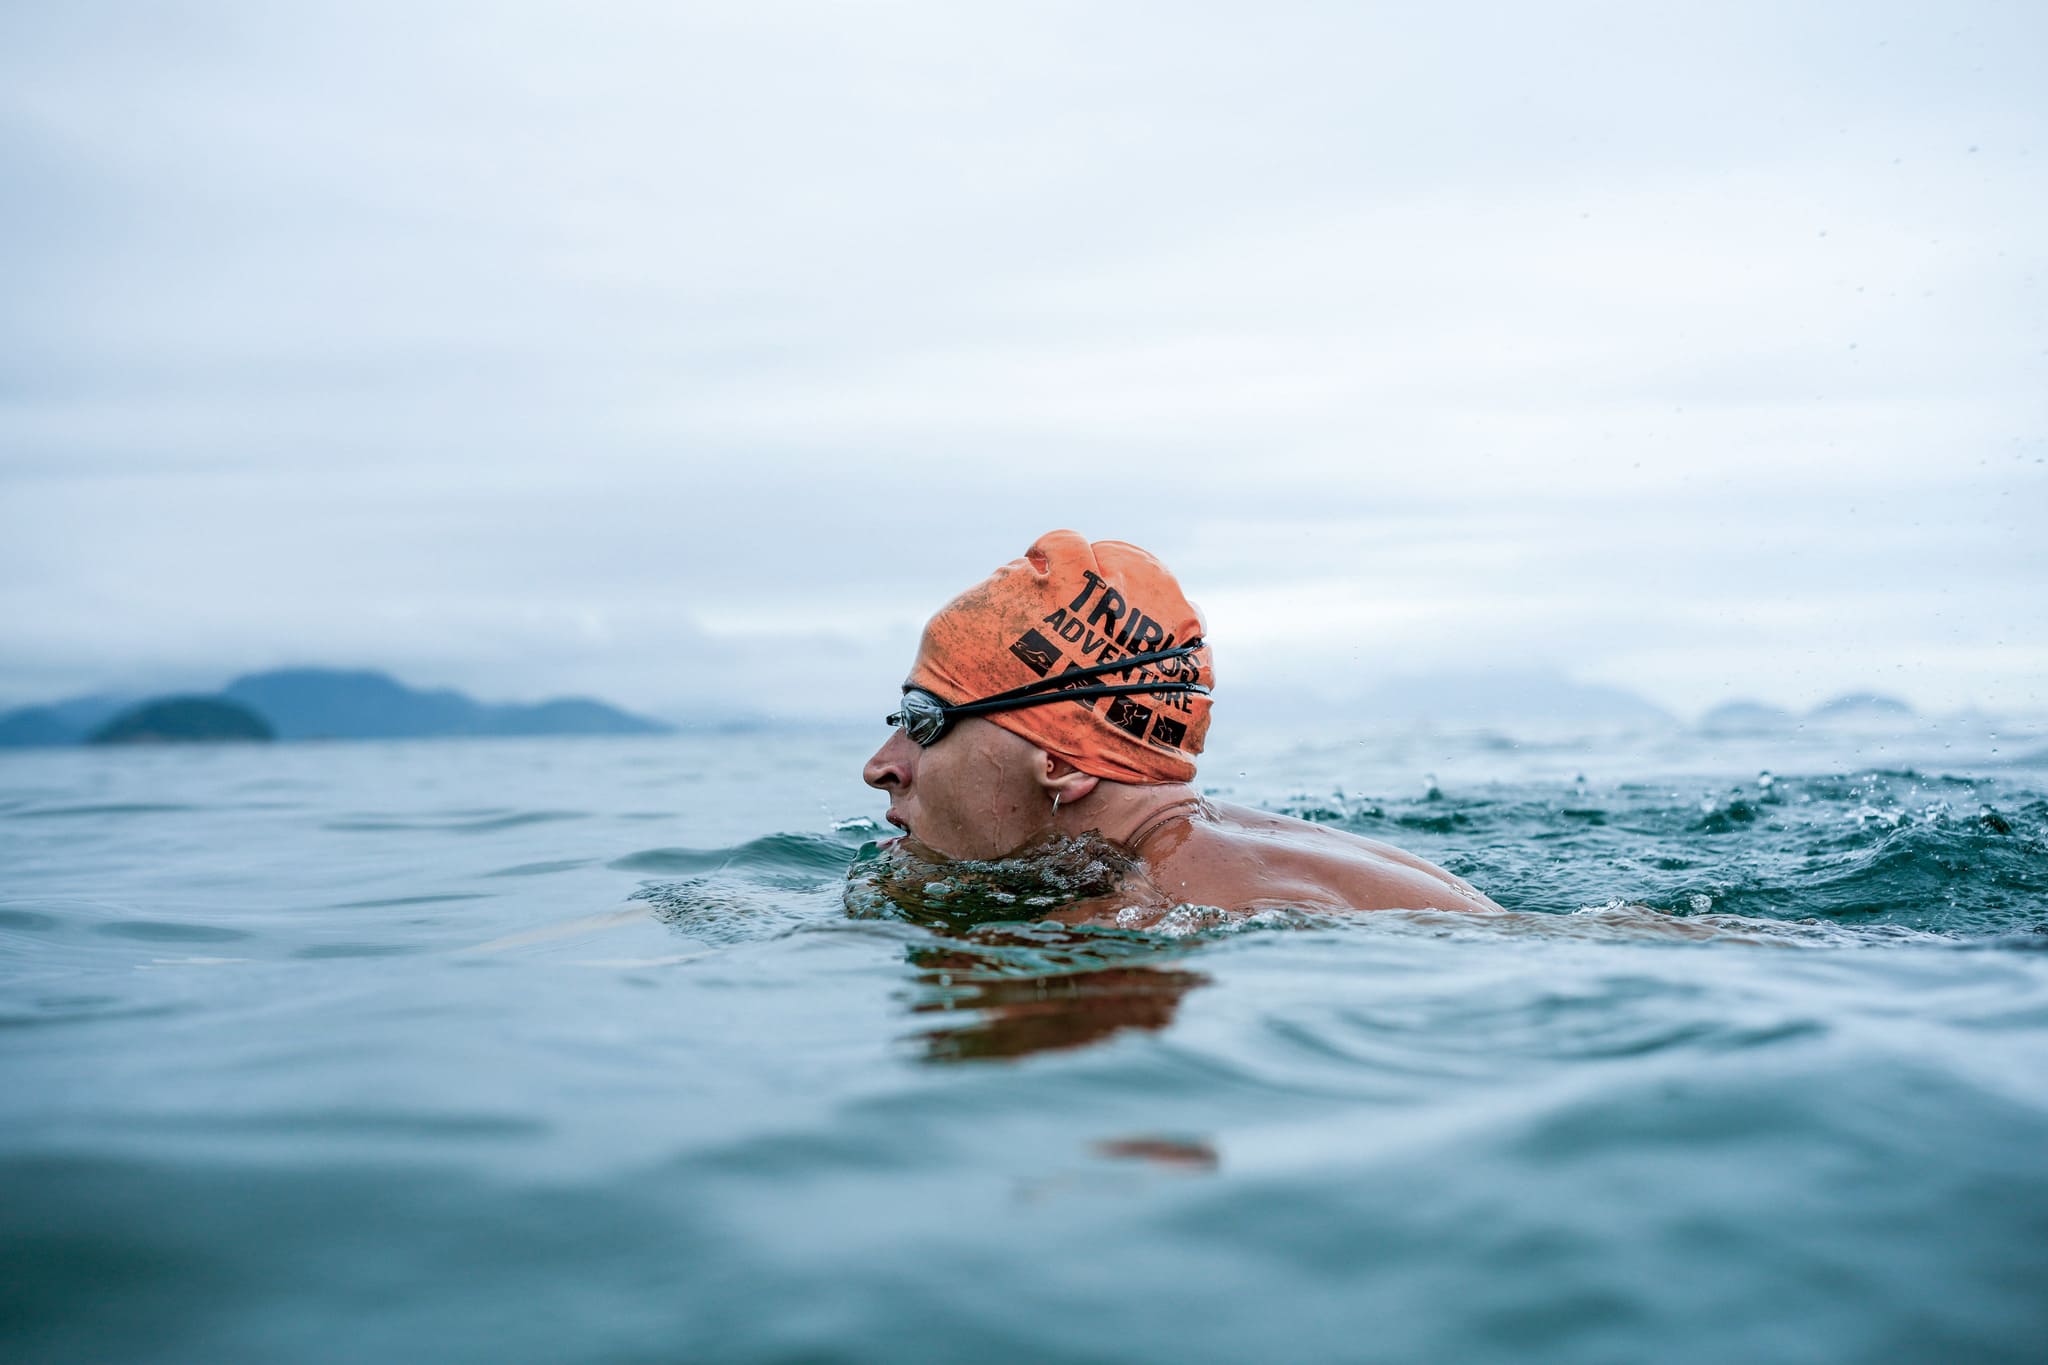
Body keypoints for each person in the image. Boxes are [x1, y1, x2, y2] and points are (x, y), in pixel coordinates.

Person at [861, 530, 1502, 921]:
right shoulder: (1212, 846)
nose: (881, 765)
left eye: (925, 720)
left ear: (1064, 760)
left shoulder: (1153, 911)